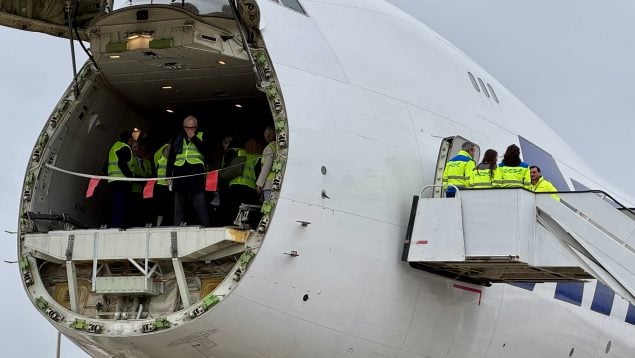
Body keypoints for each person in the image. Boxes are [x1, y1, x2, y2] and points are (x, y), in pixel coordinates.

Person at [167, 115, 210, 227]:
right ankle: (177, 225)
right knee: (179, 200)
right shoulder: (178, 137)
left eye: (193, 127)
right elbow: (171, 157)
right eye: (187, 127)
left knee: (199, 199)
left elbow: (207, 151)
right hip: (180, 170)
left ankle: (205, 225)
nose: (190, 130)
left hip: (196, 171)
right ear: (183, 127)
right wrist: (168, 176)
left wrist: (194, 138)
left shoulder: (202, 135)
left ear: (196, 127)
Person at [107, 130, 135, 228]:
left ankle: (115, 225)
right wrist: (131, 178)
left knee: (116, 206)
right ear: (129, 139)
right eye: (132, 139)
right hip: (122, 182)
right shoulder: (125, 148)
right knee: (122, 205)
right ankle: (119, 227)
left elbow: (105, 166)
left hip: (113, 181)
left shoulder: (114, 147)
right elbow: (122, 164)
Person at [153, 142, 172, 226]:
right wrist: (167, 144)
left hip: (169, 187)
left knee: (168, 207)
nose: (168, 152)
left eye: (169, 150)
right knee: (160, 207)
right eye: (166, 150)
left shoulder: (172, 161)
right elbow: (157, 153)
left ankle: (167, 223)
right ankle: (158, 225)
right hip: (160, 187)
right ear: (163, 151)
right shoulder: (158, 160)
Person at [256, 126, 277, 202]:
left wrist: (260, 183)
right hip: (278, 182)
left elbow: (266, 167)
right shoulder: (279, 147)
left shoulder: (269, 147)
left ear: (268, 136)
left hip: (269, 184)